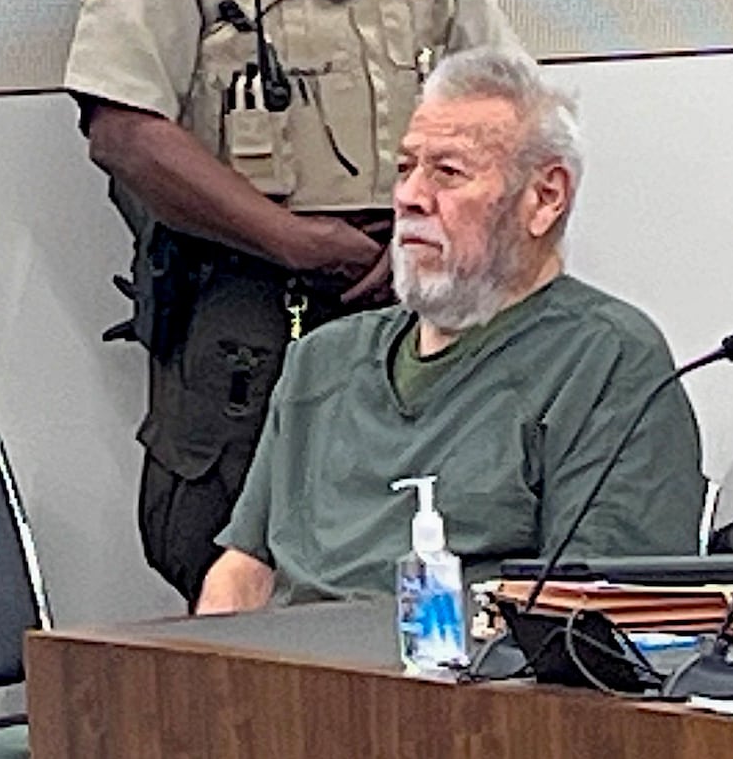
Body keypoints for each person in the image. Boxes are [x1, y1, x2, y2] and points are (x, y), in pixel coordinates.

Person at [196, 47, 706, 615]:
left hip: (470, 690)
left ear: (545, 197)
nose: (410, 196)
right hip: (290, 689)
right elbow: (243, 573)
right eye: (406, 167)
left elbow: (600, 615)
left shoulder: (606, 359)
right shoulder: (324, 360)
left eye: (448, 172)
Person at [63, 0, 524, 609]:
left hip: (418, 294)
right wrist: (291, 241)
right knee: (226, 550)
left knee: (437, 535)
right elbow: (124, 132)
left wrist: (427, 232)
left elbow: (510, 114)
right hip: (248, 299)